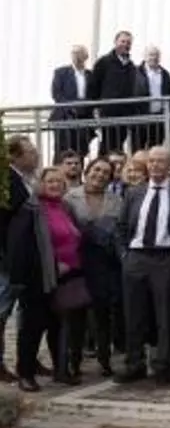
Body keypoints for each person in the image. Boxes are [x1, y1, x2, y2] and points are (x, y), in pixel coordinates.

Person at [7, 167, 84, 391]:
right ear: (41, 184)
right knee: (32, 327)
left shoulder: (66, 207)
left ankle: (61, 369)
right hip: (38, 278)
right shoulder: (30, 209)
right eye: (50, 181)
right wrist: (49, 266)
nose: (55, 185)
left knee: (58, 326)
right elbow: (19, 246)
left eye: (59, 181)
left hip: (66, 278)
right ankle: (26, 373)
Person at [114, 146, 170, 385]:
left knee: (165, 315)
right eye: (151, 161)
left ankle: (163, 365)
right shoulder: (134, 193)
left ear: (169, 166)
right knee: (134, 314)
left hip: (165, 258)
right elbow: (121, 227)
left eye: (161, 161)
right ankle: (134, 363)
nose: (155, 165)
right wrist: (125, 255)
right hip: (136, 258)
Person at [64, 158, 124, 378]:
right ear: (87, 172)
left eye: (106, 172)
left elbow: (119, 233)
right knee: (76, 314)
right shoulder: (70, 198)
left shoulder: (116, 201)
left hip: (105, 264)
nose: (100, 175)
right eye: (96, 169)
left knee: (103, 315)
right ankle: (74, 360)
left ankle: (104, 360)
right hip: (78, 262)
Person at [0, 135, 40, 382]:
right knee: (2, 312)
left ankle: (29, 359)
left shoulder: (28, 180)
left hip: (27, 259)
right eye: (30, 151)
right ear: (15, 156)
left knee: (27, 311)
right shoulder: (7, 182)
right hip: (9, 259)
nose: (36, 155)